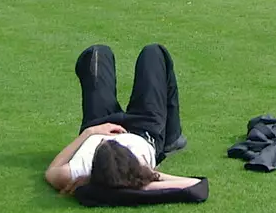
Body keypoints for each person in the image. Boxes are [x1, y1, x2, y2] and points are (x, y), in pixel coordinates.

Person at [44, 44, 200, 197]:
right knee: (154, 53)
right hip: (144, 130)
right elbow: (195, 184)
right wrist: (151, 177)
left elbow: (51, 172)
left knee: (97, 53)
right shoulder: (141, 174)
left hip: (98, 126)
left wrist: (89, 132)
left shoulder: (77, 172)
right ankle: (172, 139)